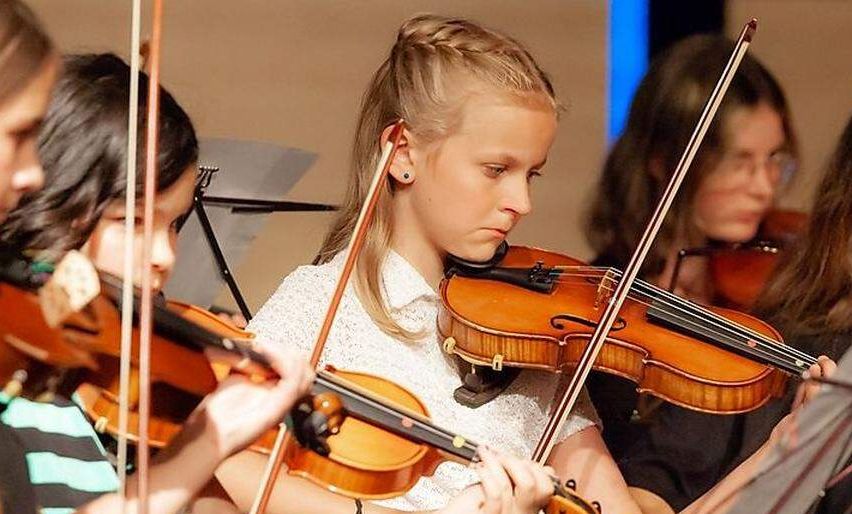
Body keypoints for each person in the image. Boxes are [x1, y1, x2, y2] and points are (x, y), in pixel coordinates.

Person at [216, 13, 644, 514]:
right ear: (402, 154)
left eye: (532, 174)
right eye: (496, 169)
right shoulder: (318, 305)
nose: (521, 202)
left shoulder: (527, 333)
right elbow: (225, 464)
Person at [0, 49, 315, 514]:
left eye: (173, 224)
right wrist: (202, 445)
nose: (164, 256)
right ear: (50, 199)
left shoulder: (126, 401)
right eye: (133, 220)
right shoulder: (19, 398)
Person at [582, 34, 806, 512]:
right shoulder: (602, 307)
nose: (764, 188)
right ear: (666, 161)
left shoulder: (774, 277)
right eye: (739, 162)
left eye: (774, 161)